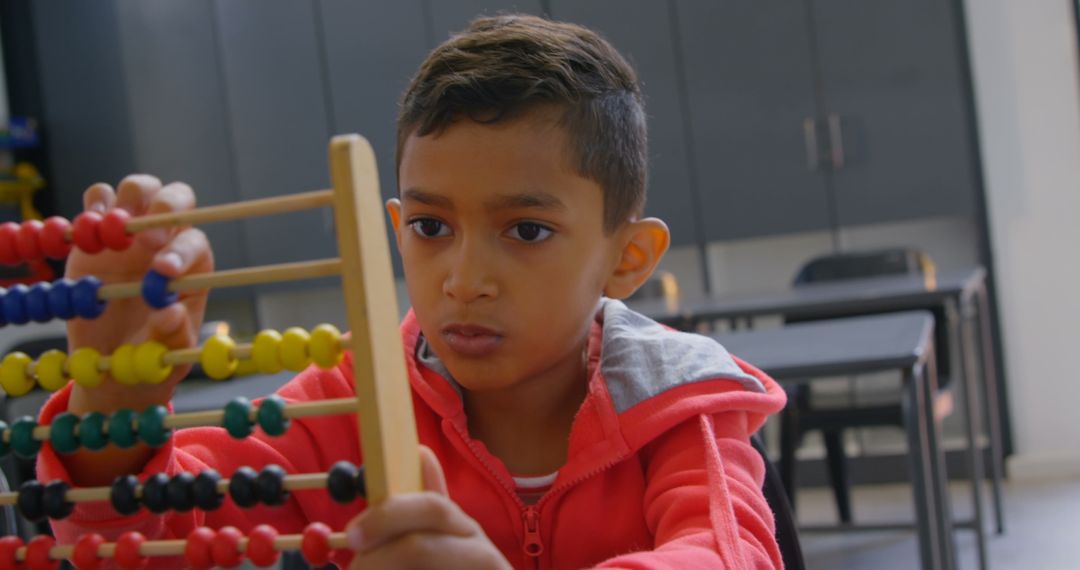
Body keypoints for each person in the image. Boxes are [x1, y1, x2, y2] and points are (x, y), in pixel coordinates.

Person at [37, 14, 786, 569]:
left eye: (525, 231)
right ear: (395, 230)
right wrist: (113, 407)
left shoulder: (677, 405)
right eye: (431, 227)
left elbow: (727, 556)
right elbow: (160, 542)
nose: (464, 280)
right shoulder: (353, 397)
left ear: (627, 257)